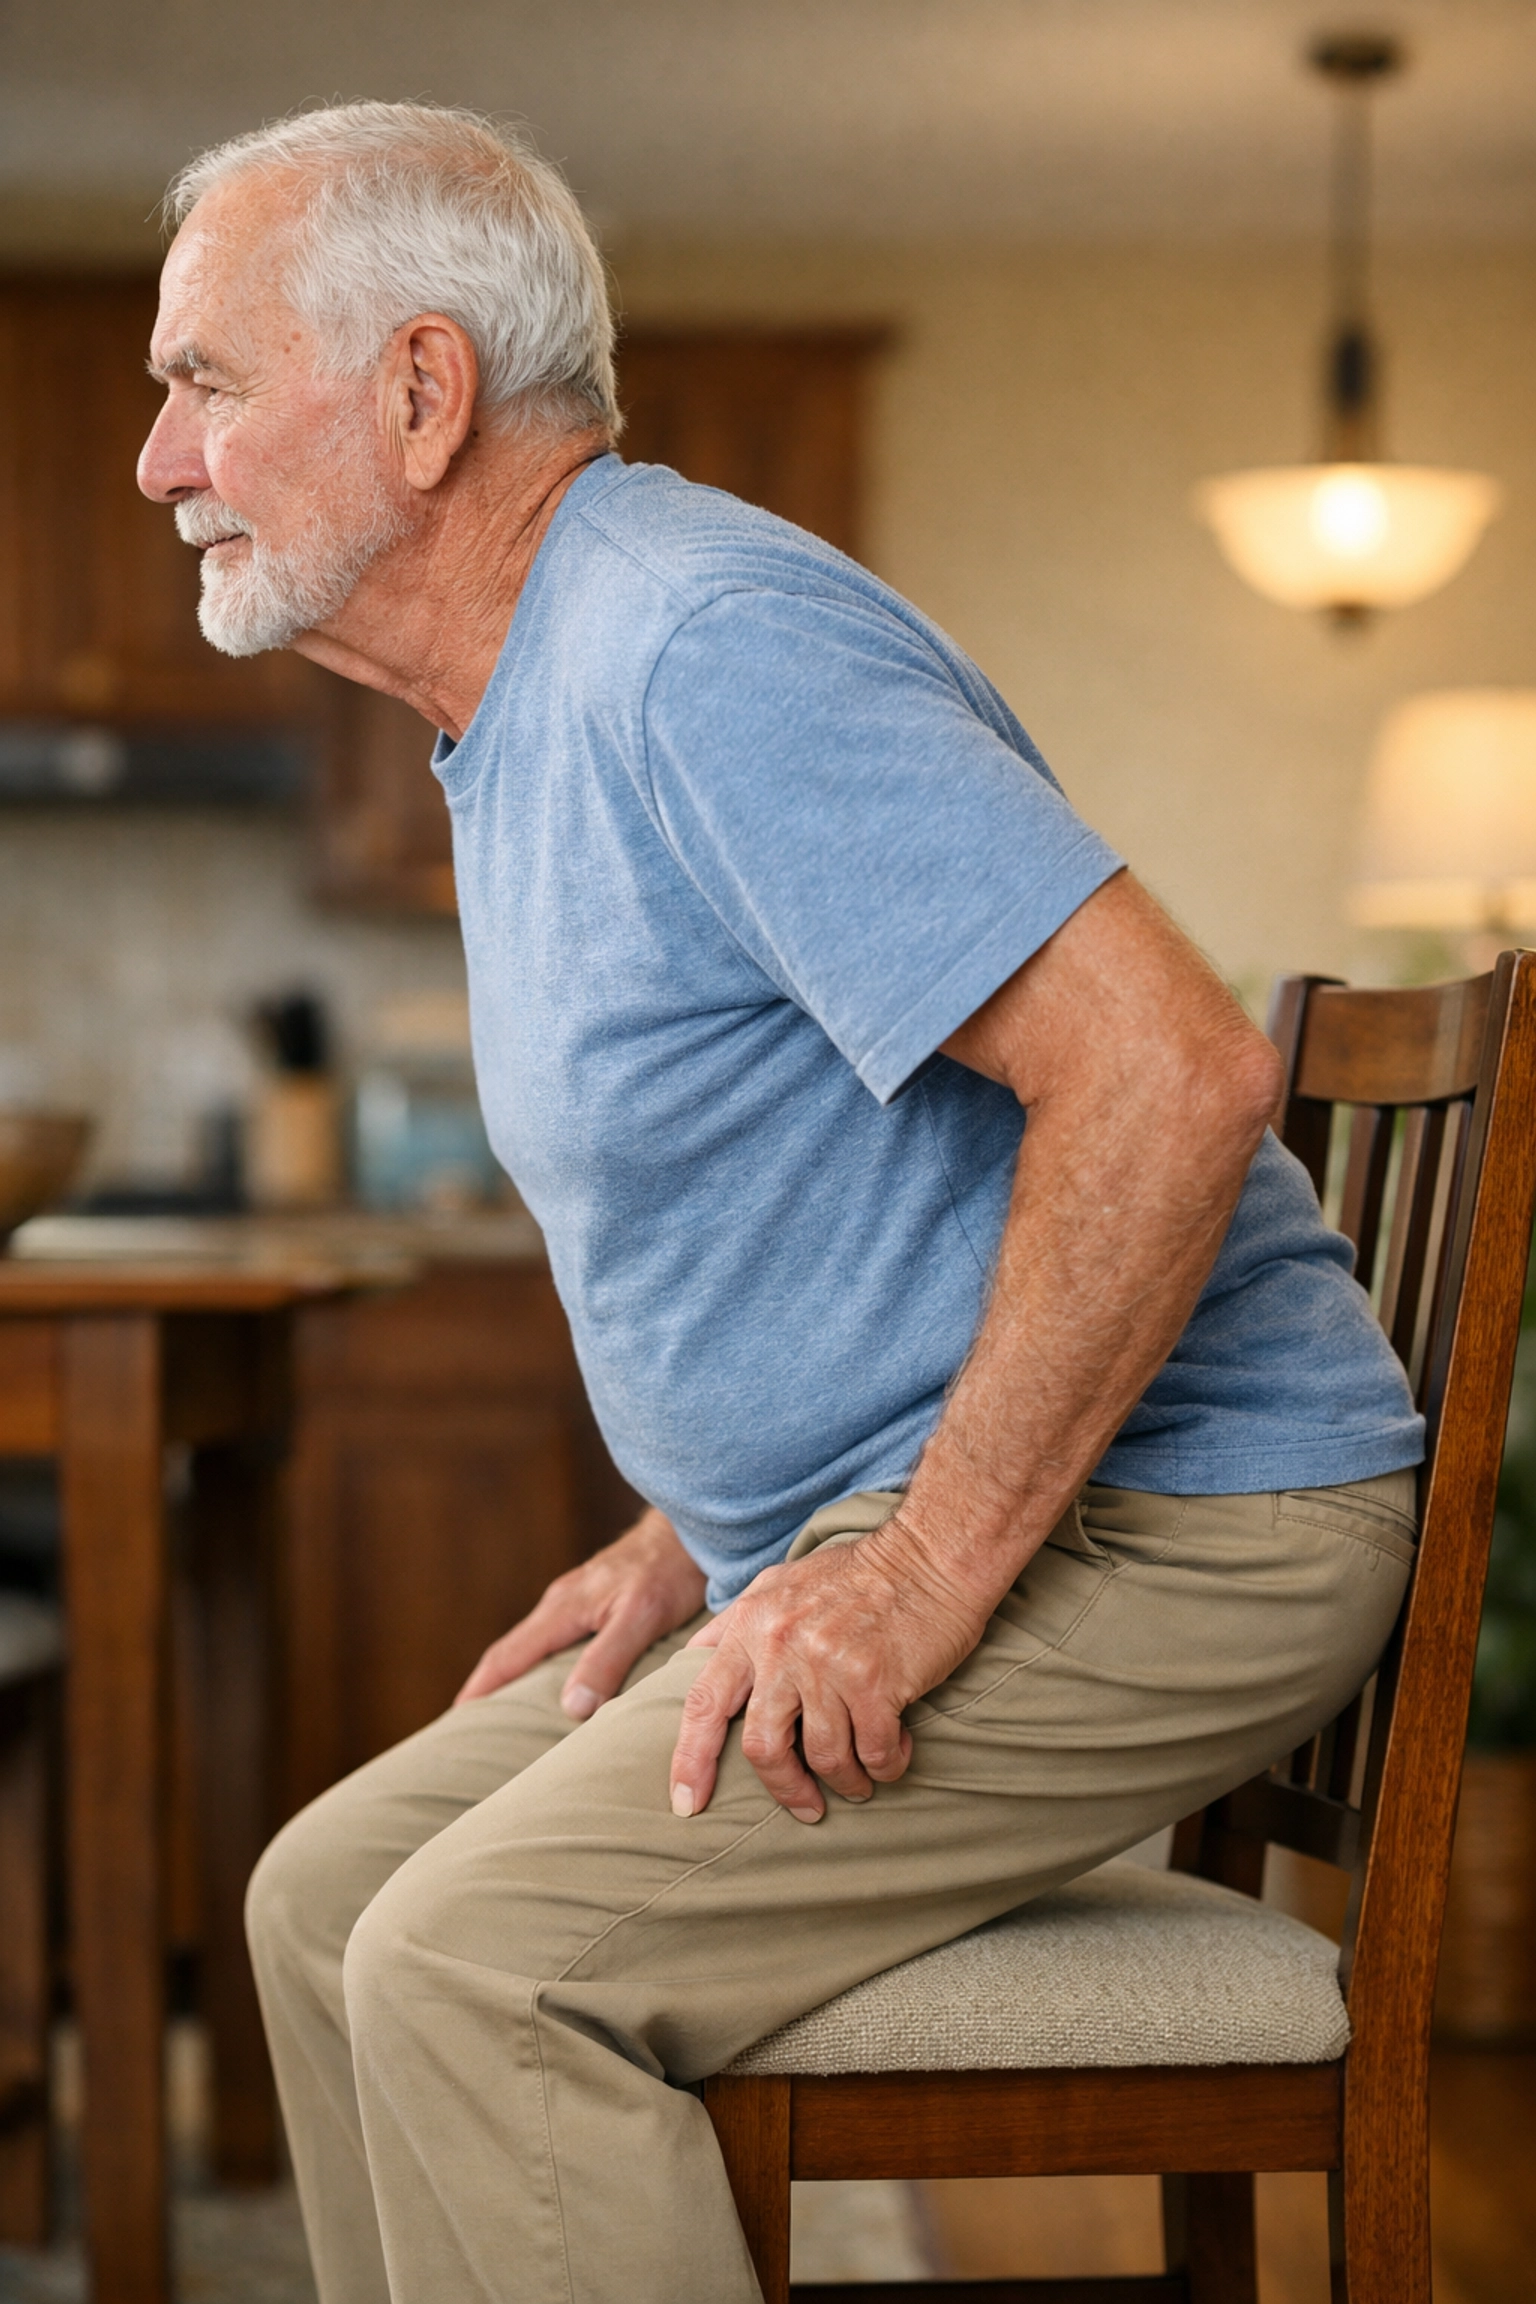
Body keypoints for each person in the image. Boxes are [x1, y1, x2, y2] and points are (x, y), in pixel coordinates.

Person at [138, 102, 1424, 2304]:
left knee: (480, 1970)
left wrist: (911, 1576)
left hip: (1192, 1525)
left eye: (207, 386)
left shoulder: (692, 649)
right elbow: (850, 1188)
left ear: (420, 397)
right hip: (922, 1507)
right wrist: (686, 1539)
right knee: (326, 1902)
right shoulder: (532, 696)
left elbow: (1171, 1073)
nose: (163, 461)